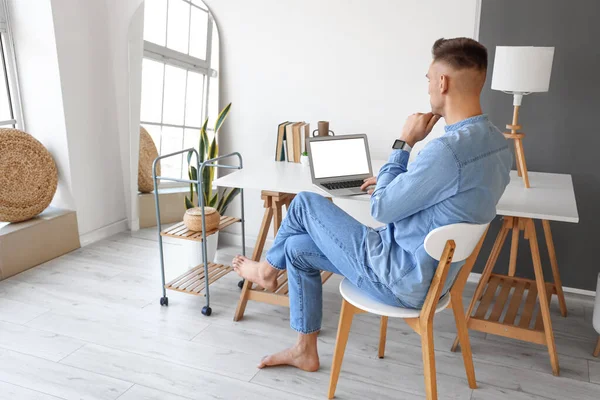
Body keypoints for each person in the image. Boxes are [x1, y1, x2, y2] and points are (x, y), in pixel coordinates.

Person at [232, 37, 512, 372]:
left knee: (305, 203)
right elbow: (440, 200)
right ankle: (304, 351)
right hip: (433, 276)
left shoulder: (446, 151)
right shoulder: (497, 144)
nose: (427, 89)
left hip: (401, 277)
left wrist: (403, 141)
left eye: (428, 79)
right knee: (295, 247)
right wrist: (395, 185)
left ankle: (265, 271)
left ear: (443, 82)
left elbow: (381, 208)